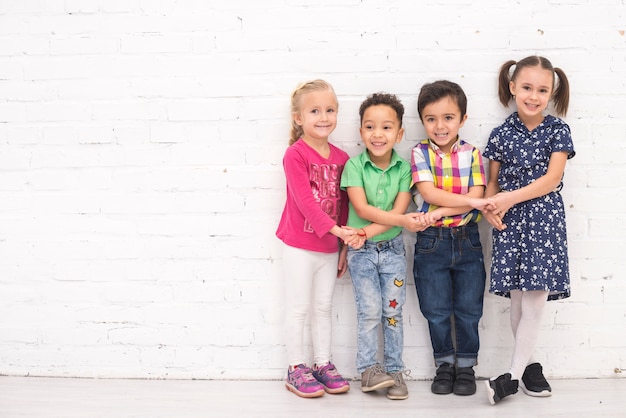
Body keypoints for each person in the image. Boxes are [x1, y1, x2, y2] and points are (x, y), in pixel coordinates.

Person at [481, 56, 575, 405]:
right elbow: (492, 183)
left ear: (551, 93)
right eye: (526, 87)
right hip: (509, 222)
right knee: (518, 299)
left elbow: (552, 180)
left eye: (542, 90)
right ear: (512, 88)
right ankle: (530, 366)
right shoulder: (501, 134)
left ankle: (511, 376)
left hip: (544, 219)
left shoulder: (557, 130)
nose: (533, 96)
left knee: (536, 298)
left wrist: (507, 198)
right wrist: (492, 207)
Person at [276, 79, 358, 398]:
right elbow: (305, 201)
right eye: (314, 111)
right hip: (299, 246)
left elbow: (345, 205)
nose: (323, 117)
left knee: (323, 307)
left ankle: (322, 364)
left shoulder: (341, 158)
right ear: (299, 118)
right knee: (298, 308)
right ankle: (296, 367)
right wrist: (338, 232)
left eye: (330, 110)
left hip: (327, 248)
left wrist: (341, 249)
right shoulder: (295, 155)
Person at [341, 93, 426, 401]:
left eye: (386, 127)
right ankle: (367, 370)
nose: (378, 134)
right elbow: (363, 208)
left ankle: (394, 371)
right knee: (368, 313)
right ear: (361, 131)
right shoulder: (353, 167)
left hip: (391, 252)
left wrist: (362, 232)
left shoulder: (404, 170)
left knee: (393, 313)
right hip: (361, 254)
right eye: (370, 127)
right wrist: (368, 233)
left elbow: (398, 215)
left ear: (399, 133)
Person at [410, 80, 489, 397]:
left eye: (448, 118)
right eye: (431, 119)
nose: (440, 126)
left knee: (470, 310)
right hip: (432, 242)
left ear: (462, 119)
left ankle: (467, 366)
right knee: (436, 310)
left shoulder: (472, 154)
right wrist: (469, 202)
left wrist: (442, 209)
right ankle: (444, 364)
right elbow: (427, 191)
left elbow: (478, 193)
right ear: (422, 121)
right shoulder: (419, 152)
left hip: (468, 239)